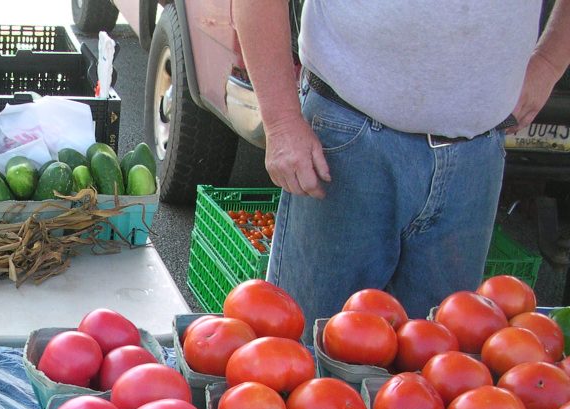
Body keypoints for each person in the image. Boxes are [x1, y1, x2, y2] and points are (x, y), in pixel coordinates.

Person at [234, 0, 570, 340]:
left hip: (476, 157)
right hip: (346, 137)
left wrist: (549, 62)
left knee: (438, 363)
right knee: (309, 345)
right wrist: (281, 121)